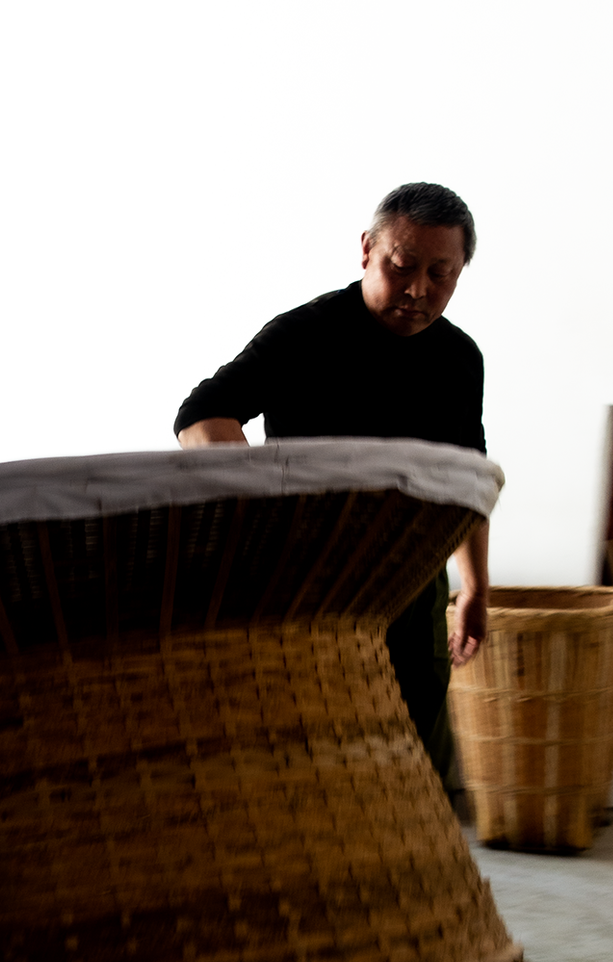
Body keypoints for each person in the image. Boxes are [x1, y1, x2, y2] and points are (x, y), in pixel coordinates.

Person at [174, 182, 490, 786]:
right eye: (403, 267)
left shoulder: (459, 359)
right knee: (302, 743)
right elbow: (202, 416)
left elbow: (466, 475)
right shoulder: (305, 335)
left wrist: (473, 585)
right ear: (368, 250)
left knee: (413, 748)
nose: (420, 289)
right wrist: (270, 507)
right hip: (307, 580)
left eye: (441, 273)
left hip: (411, 580)